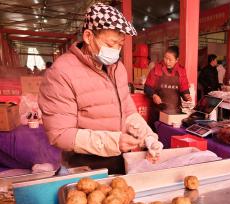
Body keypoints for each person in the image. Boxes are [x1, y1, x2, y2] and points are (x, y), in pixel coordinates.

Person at [38, 3, 163, 174]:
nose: (116, 51)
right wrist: (114, 142)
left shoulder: (117, 69)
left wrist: (147, 135)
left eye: (120, 44)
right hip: (84, 166)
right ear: (89, 36)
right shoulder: (62, 72)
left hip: (119, 159)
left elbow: (127, 110)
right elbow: (60, 134)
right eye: (111, 44)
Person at [144, 46, 192, 126]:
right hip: (157, 110)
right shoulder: (156, 69)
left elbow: (184, 89)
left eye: (170, 60)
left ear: (177, 60)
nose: (167, 62)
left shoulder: (181, 71)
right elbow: (147, 88)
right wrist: (154, 95)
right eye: (165, 58)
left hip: (174, 111)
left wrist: (186, 95)